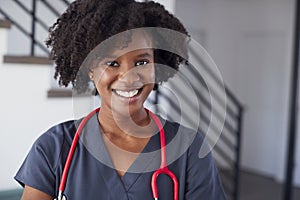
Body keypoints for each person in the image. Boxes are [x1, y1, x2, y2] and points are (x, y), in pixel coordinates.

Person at [14, 0, 227, 199]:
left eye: (142, 62)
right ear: (90, 69)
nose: (129, 77)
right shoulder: (53, 147)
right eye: (112, 63)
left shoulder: (190, 148)